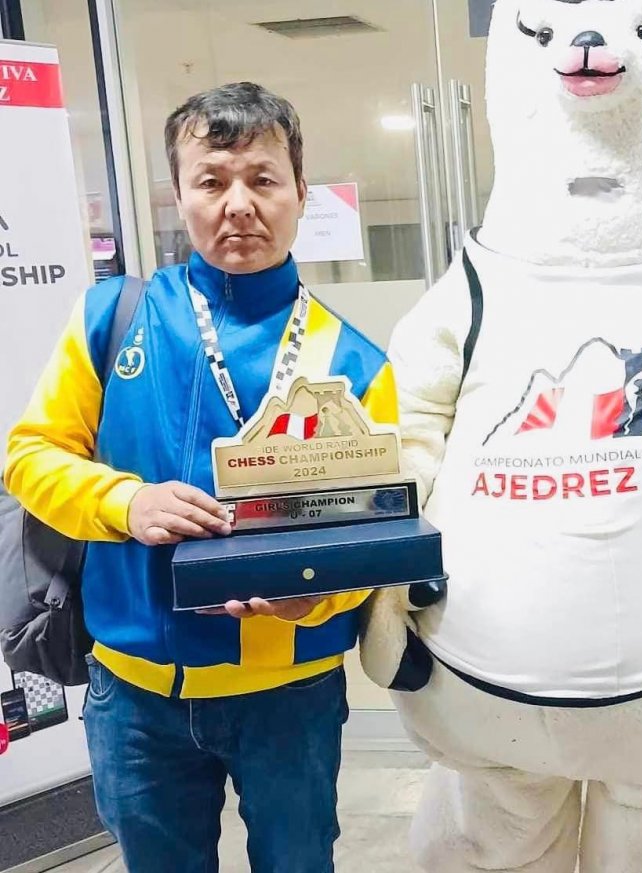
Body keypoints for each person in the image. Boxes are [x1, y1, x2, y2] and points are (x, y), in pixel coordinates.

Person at [3, 82, 416, 872]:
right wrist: (126, 500)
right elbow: (29, 456)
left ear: (300, 191)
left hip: (290, 691)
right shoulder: (113, 317)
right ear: (179, 193)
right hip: (135, 691)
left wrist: (318, 596)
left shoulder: (355, 362)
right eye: (212, 180)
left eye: (263, 179)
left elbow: (374, 531)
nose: (238, 205)